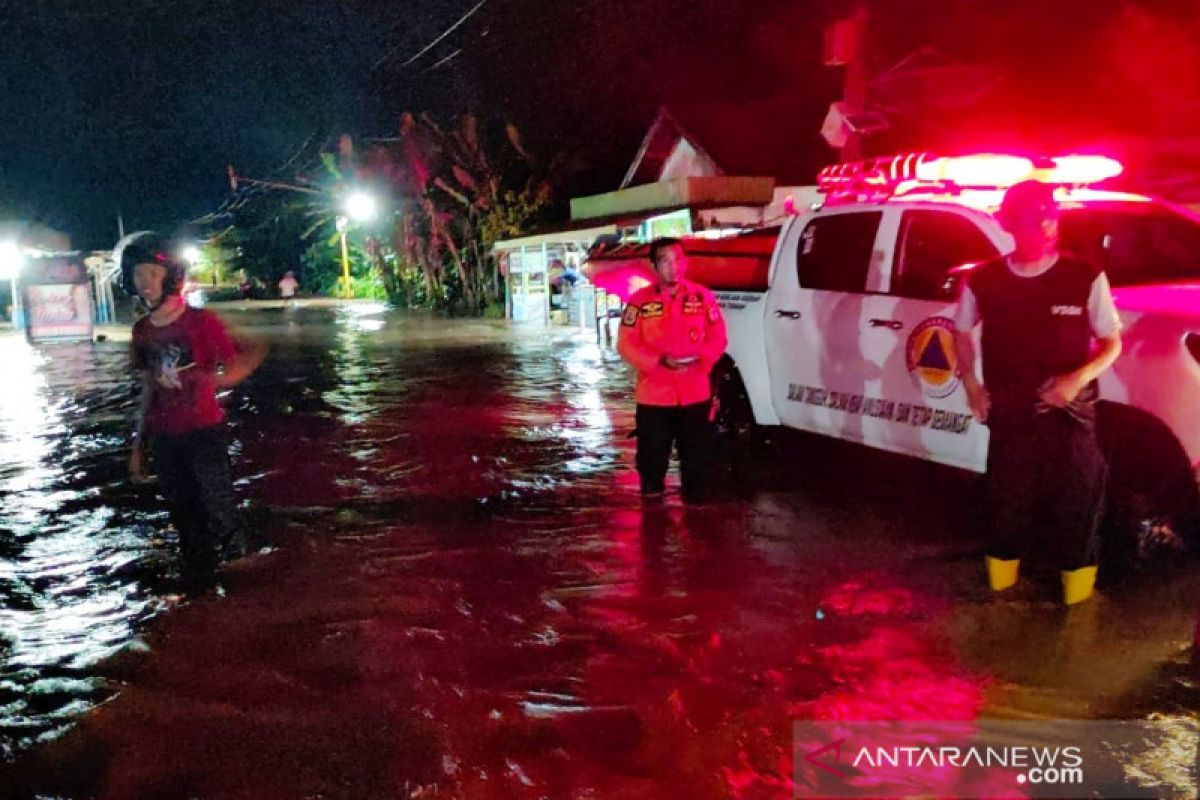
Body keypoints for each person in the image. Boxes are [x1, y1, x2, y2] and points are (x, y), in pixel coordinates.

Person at [953, 181, 1122, 605]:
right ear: (1012, 226)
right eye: (1035, 221)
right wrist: (972, 386)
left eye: (1050, 220)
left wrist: (1074, 379)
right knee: (1005, 511)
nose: (1047, 229)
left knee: (1077, 511)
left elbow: (1111, 343)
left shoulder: (1083, 276)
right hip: (1011, 414)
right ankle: (999, 606)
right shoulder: (985, 280)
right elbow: (961, 332)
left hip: (1072, 417)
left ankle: (1077, 615)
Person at [117, 232, 268, 596]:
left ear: (168, 276)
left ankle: (247, 594)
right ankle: (200, 594)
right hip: (166, 437)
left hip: (204, 431)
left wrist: (218, 380)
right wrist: (139, 446)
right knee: (184, 518)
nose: (145, 282)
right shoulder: (140, 332)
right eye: (138, 275)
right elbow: (148, 389)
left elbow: (253, 349)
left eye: (151, 273)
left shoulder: (201, 322)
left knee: (220, 511)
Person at [617, 237, 728, 502]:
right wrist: (657, 361)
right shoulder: (640, 302)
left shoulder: (702, 297)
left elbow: (718, 336)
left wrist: (702, 360)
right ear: (654, 266)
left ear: (685, 263)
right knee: (652, 468)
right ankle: (654, 530)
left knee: (698, 469)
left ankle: (697, 533)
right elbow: (625, 343)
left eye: (678, 259)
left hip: (695, 394)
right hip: (654, 397)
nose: (673, 267)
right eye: (665, 261)